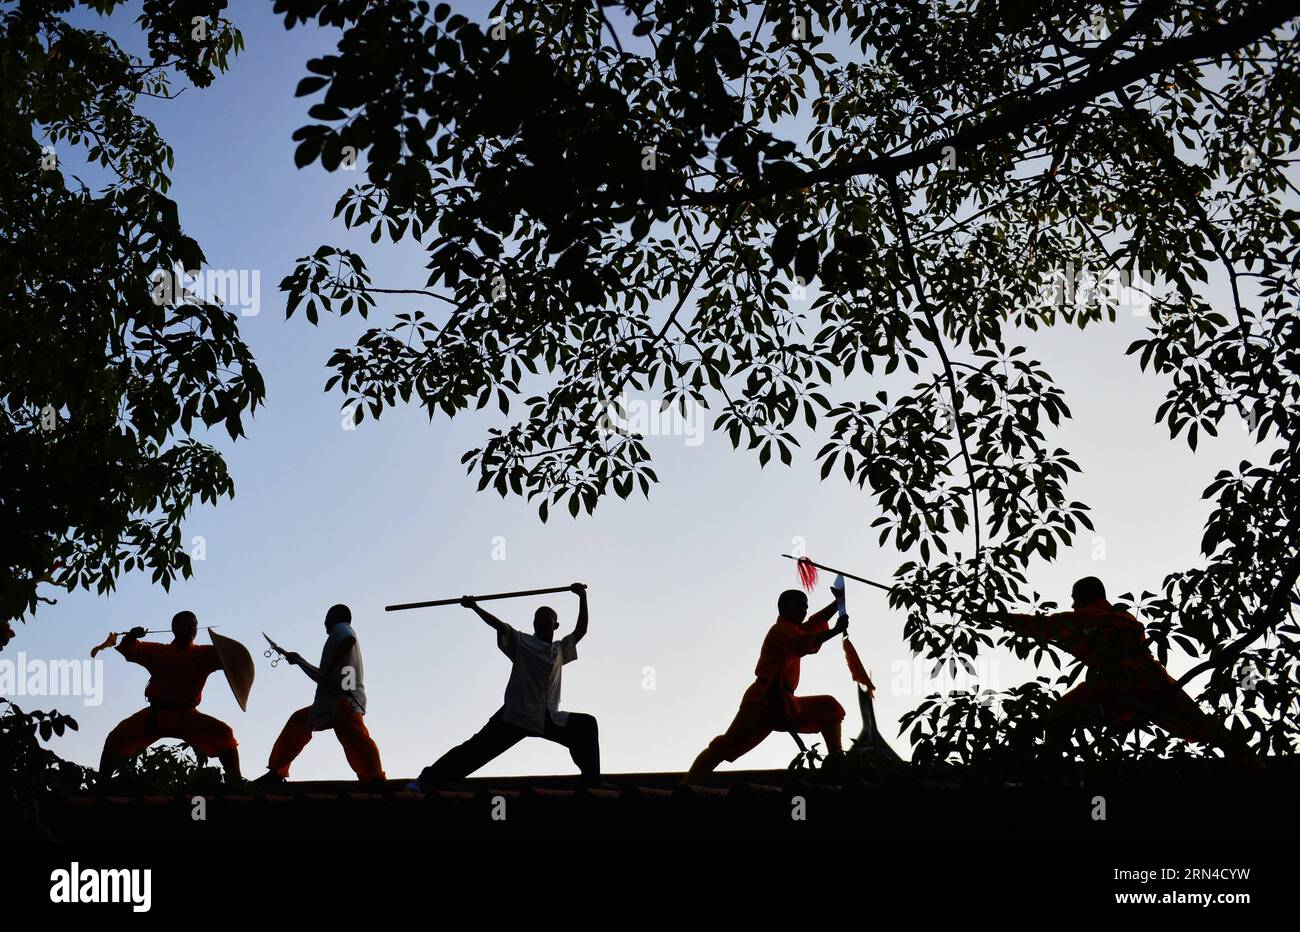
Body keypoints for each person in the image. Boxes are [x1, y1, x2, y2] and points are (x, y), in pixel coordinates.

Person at [1000, 576, 1254, 762]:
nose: (1073, 604)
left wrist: (1005, 619)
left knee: (1059, 714)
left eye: (1075, 598)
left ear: (1085, 597)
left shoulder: (1091, 618)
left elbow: (1049, 625)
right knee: (1199, 724)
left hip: (1120, 681)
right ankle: (1248, 760)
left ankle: (1048, 763)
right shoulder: (1119, 619)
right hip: (1153, 681)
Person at [416, 583, 603, 789]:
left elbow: (581, 630)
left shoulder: (560, 649)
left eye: (545, 618)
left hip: (548, 718)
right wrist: (475, 607)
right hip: (516, 716)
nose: (539, 622)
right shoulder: (522, 642)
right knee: (475, 750)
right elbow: (499, 625)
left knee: (586, 725)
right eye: (537, 619)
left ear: (555, 625)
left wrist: (582, 597)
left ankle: (591, 781)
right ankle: (427, 780)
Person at [681, 585, 848, 786]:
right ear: (783, 607)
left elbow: (814, 624)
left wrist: (838, 602)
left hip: (784, 704)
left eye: (805, 606)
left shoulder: (794, 629)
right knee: (725, 746)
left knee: (829, 707)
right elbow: (801, 643)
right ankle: (687, 785)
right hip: (762, 702)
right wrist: (836, 630)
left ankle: (836, 761)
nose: (804, 610)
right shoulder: (780, 630)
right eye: (799, 606)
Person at [100, 611, 241, 783]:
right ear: (174, 628)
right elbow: (130, 650)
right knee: (116, 738)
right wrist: (131, 636)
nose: (191, 629)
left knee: (224, 734)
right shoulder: (159, 651)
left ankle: (236, 782)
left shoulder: (205, 653)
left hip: (187, 717)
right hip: (156, 716)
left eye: (194, 626)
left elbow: (232, 659)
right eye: (187, 625)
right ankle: (102, 783)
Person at [256, 604, 386, 789]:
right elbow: (323, 675)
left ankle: (376, 781)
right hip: (333, 702)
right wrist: (300, 661)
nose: (324, 622)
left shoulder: (342, 629)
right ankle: (276, 772)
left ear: (335, 617)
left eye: (327, 617)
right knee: (300, 722)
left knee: (358, 742)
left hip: (343, 701)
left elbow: (347, 640)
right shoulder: (339, 636)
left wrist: (328, 670)